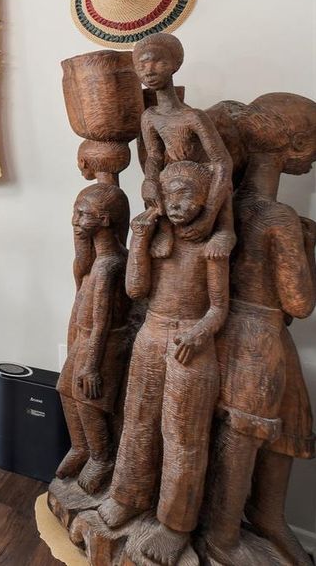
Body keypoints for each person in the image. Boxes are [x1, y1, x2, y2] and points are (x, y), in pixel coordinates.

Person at [202, 94, 316, 565]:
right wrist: (308, 246)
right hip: (259, 335)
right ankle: (223, 534)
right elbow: (300, 304)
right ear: (295, 145)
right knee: (245, 430)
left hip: (239, 329)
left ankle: (268, 516)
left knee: (288, 419)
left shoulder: (225, 205)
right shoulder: (278, 218)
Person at [98, 160, 229, 565]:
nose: (175, 203)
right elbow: (136, 289)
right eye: (169, 195)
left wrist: (200, 333)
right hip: (152, 334)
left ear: (205, 198)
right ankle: (128, 497)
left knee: (183, 437)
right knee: (137, 421)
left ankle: (176, 525)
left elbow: (219, 308)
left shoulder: (214, 245)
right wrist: (139, 241)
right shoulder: (158, 239)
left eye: (185, 193)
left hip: (191, 342)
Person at [56, 183, 131, 494]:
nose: (75, 220)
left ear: (104, 220)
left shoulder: (110, 265)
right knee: (66, 390)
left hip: (103, 343)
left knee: (89, 401)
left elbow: (102, 322)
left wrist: (91, 366)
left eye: (82, 214)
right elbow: (80, 278)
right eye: (75, 212)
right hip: (86, 338)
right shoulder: (94, 262)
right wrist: (79, 238)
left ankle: (101, 457)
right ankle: (81, 447)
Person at [133, 34, 234, 260]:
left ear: (175, 65)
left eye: (158, 62)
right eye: (142, 65)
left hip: (200, 179)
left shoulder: (193, 117)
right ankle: (164, 229)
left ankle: (225, 230)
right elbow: (154, 156)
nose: (149, 71)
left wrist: (209, 214)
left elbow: (222, 161)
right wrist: (149, 180)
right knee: (156, 181)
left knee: (220, 175)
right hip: (173, 180)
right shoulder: (150, 116)